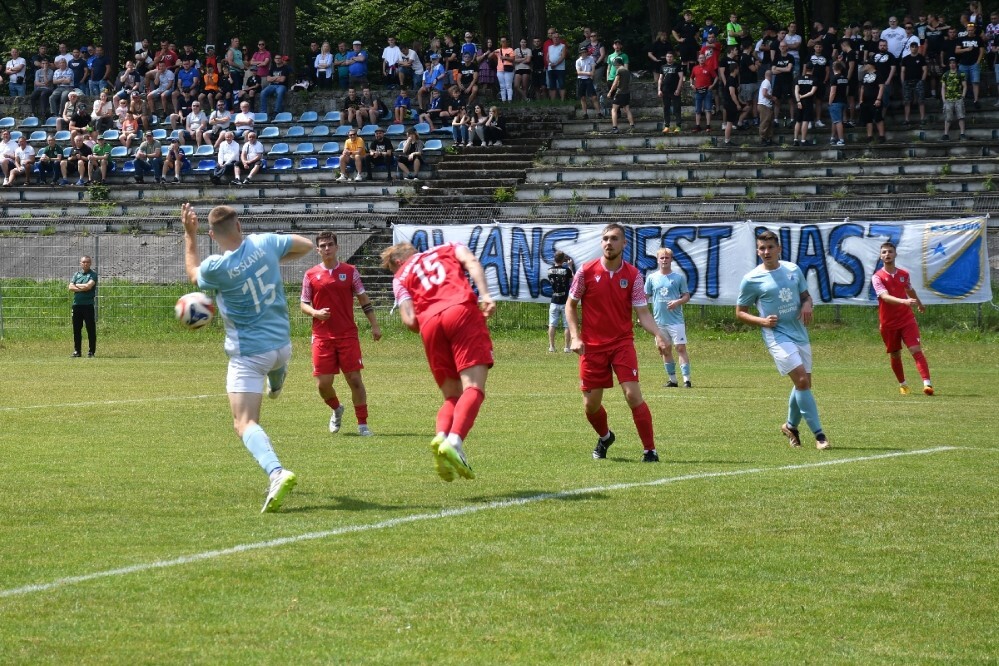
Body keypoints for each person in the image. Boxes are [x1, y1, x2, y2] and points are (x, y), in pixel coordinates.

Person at [181, 203, 314, 512]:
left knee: (243, 423)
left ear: (212, 235)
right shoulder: (264, 242)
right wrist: (275, 259)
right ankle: (277, 379)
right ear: (239, 226)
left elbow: (192, 275)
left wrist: (190, 235)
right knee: (276, 364)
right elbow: (306, 245)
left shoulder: (217, 267)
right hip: (283, 345)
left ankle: (277, 472)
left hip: (250, 354)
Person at [379, 241, 495, 482]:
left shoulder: (400, 278)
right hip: (460, 309)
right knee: (473, 387)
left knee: (452, 396)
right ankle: (455, 441)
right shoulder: (449, 247)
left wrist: (432, 315)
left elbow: (410, 321)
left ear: (399, 262)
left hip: (430, 324)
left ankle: (442, 436)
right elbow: (472, 262)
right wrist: (485, 295)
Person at [566, 223, 668, 463]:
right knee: (590, 406)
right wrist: (575, 336)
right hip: (592, 347)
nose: (608, 243)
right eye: (605, 239)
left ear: (624, 244)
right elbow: (570, 306)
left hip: (622, 344)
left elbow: (642, 313)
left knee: (633, 395)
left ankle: (650, 450)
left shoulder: (633, 275)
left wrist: (658, 334)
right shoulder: (585, 271)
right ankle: (605, 437)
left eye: (614, 239)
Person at [736, 230, 830, 450]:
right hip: (776, 335)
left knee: (803, 384)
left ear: (779, 249)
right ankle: (820, 435)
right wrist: (762, 321)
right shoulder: (751, 279)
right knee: (803, 382)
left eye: (770, 247)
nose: (766, 252)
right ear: (757, 251)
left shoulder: (793, 270)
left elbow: (806, 296)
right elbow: (740, 312)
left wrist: (807, 304)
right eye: (761, 248)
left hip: (799, 332)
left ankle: (790, 426)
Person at [301, 231, 382, 436]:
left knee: (354, 380)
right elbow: (303, 303)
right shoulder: (310, 275)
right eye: (323, 245)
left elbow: (364, 299)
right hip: (322, 337)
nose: (327, 248)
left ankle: (362, 425)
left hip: (347, 335)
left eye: (330, 244)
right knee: (323, 384)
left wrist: (374, 325)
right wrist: (315, 312)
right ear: (317, 250)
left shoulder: (350, 271)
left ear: (337, 248)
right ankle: (337, 408)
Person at [872, 242, 934, 395]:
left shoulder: (904, 274)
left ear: (895, 254)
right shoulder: (877, 277)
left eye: (890, 252)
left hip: (906, 319)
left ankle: (927, 384)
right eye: (884, 252)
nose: (887, 254)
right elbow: (885, 297)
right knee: (895, 354)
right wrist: (904, 301)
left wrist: (919, 303)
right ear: (881, 256)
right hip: (888, 323)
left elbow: (909, 289)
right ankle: (903, 384)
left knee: (915, 349)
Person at [645, 247, 692, 388]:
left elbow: (686, 296)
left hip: (675, 320)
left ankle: (687, 380)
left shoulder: (678, 278)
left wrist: (677, 302)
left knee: (680, 348)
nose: (664, 260)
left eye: (667, 258)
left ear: (671, 259)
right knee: (664, 349)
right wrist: (643, 315)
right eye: (662, 258)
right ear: (658, 260)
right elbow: (645, 297)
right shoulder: (652, 278)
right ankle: (672, 380)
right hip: (659, 321)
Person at [68, 255, 97, 358]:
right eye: (84, 262)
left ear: (90, 263)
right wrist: (83, 287)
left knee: (90, 328)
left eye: (88, 262)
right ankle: (77, 351)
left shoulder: (93, 275)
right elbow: (70, 287)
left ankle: (91, 351)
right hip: (77, 305)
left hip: (88, 305)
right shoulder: (76, 274)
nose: (85, 264)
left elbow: (88, 286)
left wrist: (77, 286)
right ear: (80, 263)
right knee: (76, 329)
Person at [546, 251, 574, 353]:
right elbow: (574, 280)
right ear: (563, 260)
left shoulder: (549, 271)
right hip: (565, 301)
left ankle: (552, 347)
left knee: (552, 324)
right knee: (567, 325)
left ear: (554, 259)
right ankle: (566, 347)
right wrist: (570, 266)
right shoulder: (566, 270)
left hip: (554, 300)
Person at [941, 57, 968, 140]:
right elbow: (943, 87)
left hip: (958, 98)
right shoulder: (945, 74)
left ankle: (962, 133)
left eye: (953, 63)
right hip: (948, 99)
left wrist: (963, 96)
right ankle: (946, 134)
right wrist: (943, 99)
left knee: (961, 116)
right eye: (951, 63)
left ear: (956, 64)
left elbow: (964, 86)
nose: (952, 64)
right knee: (948, 117)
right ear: (949, 64)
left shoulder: (961, 73)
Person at [607, 57, 634, 132]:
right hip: (627, 92)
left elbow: (615, 83)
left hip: (620, 93)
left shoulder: (619, 70)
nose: (614, 66)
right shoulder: (627, 71)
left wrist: (610, 92)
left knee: (614, 110)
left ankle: (615, 128)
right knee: (627, 109)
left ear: (617, 64)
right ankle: (632, 126)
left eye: (614, 65)